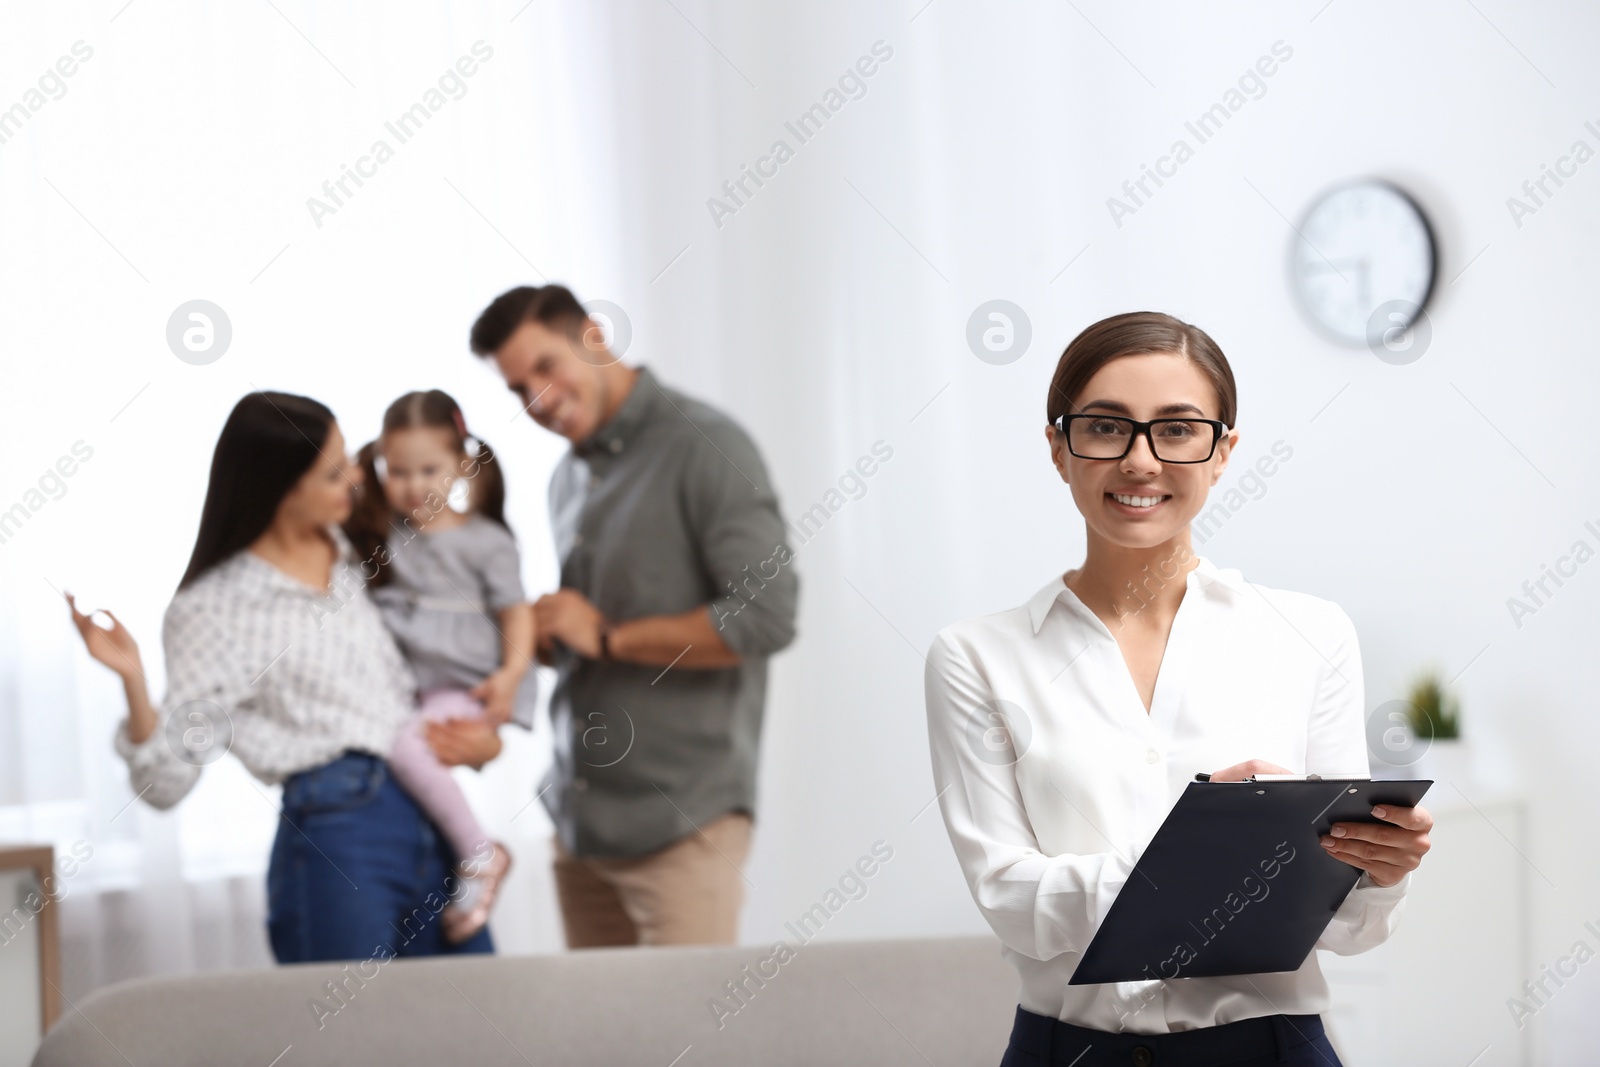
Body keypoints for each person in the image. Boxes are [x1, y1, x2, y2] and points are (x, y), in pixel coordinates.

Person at [923, 312, 1433, 1066]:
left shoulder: (1311, 634)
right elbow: (1010, 899)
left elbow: (1349, 929)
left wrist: (1376, 873)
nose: (1139, 460)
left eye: (1177, 429)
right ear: (1059, 448)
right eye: (1105, 427)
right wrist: (1199, 852)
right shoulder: (976, 656)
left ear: (1222, 452)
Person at [66, 391, 503, 962]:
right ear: (279, 489)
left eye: (347, 459)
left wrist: (480, 737)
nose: (354, 478)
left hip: (429, 821)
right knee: (352, 1047)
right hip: (338, 834)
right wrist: (134, 681)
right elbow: (165, 786)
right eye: (331, 473)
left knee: (471, 1035)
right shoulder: (215, 608)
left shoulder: (360, 552)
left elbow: (438, 655)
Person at [469, 284, 799, 947]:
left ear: (594, 336)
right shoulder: (566, 478)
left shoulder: (705, 444)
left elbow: (766, 616)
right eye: (516, 388)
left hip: (682, 829)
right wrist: (536, 639)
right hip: (580, 829)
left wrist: (610, 635)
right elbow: (586, 640)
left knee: (693, 1047)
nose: (537, 397)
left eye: (545, 367)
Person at [345, 389, 536, 944]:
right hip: (413, 686)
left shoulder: (485, 541)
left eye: (429, 469)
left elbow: (516, 614)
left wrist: (510, 676)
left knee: (408, 746)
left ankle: (481, 852)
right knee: (396, 749)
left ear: (460, 464)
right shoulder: (385, 535)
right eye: (397, 471)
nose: (413, 485)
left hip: (469, 682)